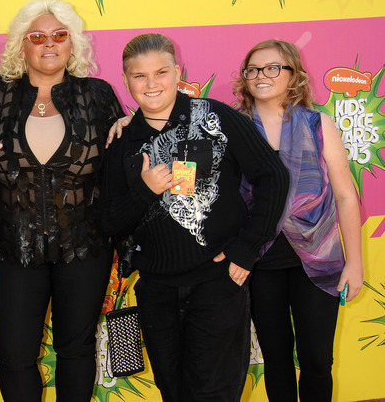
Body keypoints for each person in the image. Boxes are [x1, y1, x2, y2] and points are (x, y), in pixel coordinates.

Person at [100, 33, 290, 401]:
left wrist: (247, 248)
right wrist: (145, 190)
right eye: (139, 76)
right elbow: (109, 221)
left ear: (178, 71)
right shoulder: (122, 141)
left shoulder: (216, 117)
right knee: (174, 393)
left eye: (161, 72)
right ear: (125, 80)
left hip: (217, 284)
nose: (152, 84)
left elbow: (274, 176)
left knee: (215, 393)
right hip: (156, 290)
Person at [0, 0, 122, 401]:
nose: (49, 44)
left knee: (76, 350)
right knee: (14, 356)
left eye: (59, 35)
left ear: (73, 43)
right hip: (15, 246)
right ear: (21, 46)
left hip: (84, 246)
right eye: (37, 37)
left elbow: (120, 166)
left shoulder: (97, 95)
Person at [234, 39, 363, 401]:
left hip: (319, 260)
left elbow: (345, 197)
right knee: (276, 360)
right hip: (260, 263)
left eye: (273, 67)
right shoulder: (234, 128)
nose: (261, 75)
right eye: (253, 69)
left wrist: (354, 263)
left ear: (293, 75)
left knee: (317, 360)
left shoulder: (317, 124)